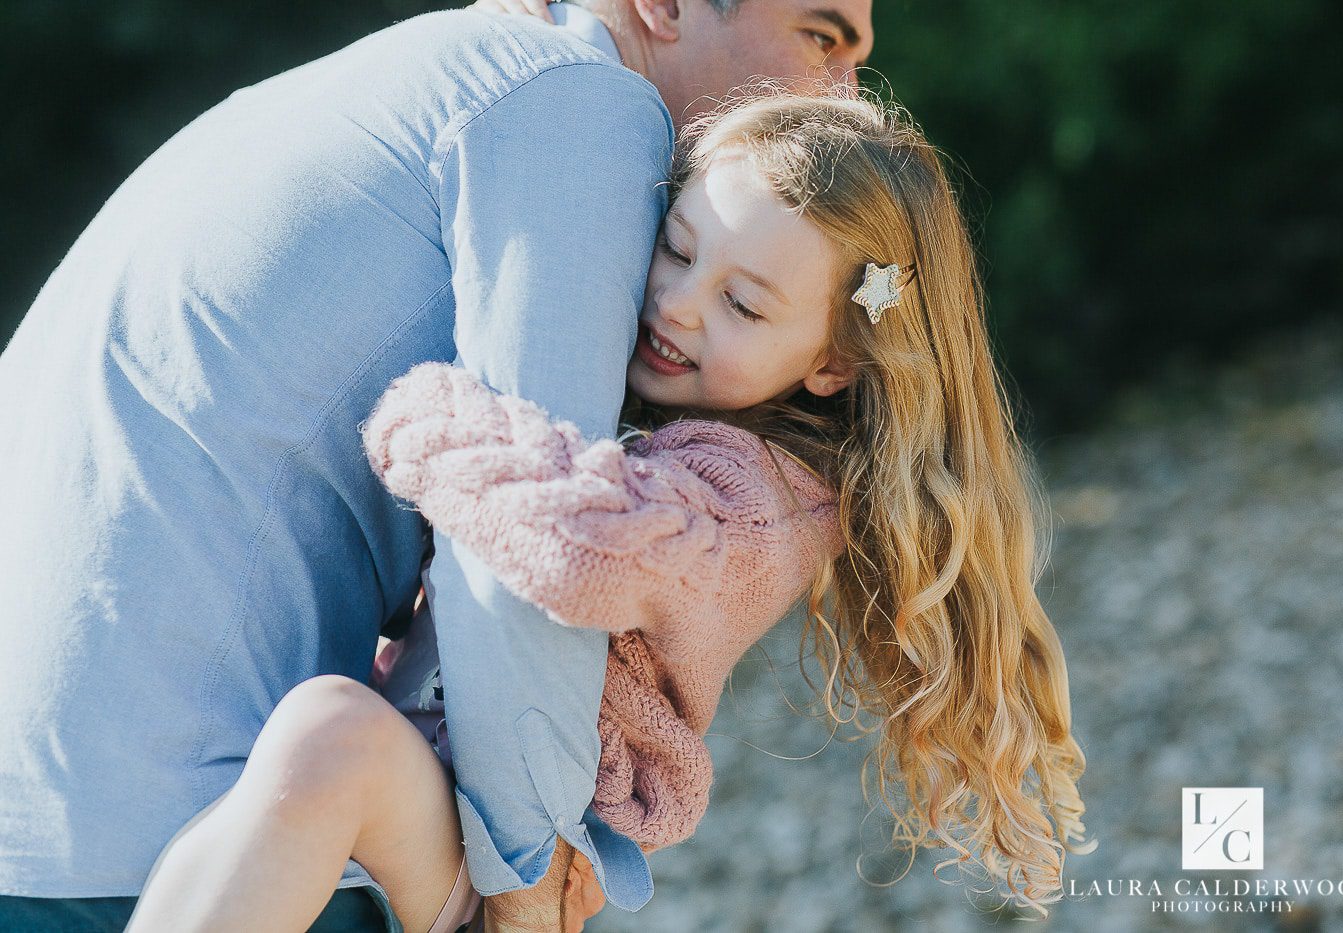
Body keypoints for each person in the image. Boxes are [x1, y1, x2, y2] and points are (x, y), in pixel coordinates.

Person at [125, 91, 1097, 933]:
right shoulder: (681, 416)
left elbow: (579, 545)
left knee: (327, 737)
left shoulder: (756, 502)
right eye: (675, 250)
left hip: (501, 851)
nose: (676, 305)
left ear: (832, 364)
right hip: (434, 775)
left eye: (742, 306)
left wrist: (421, 414)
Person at [0, 0, 873, 930]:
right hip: (168, 833)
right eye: (822, 37)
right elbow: (518, 575)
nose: (849, 93)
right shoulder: (586, 111)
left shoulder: (401, 74)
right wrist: (528, 888)